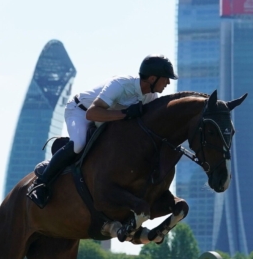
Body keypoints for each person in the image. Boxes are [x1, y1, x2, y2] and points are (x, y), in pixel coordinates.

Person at [27, 54, 178, 209]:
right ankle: (41, 183)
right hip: (80, 111)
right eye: (166, 78)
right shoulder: (121, 84)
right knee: (79, 144)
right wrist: (125, 114)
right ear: (152, 78)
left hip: (106, 121)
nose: (168, 82)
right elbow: (92, 114)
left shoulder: (151, 97)